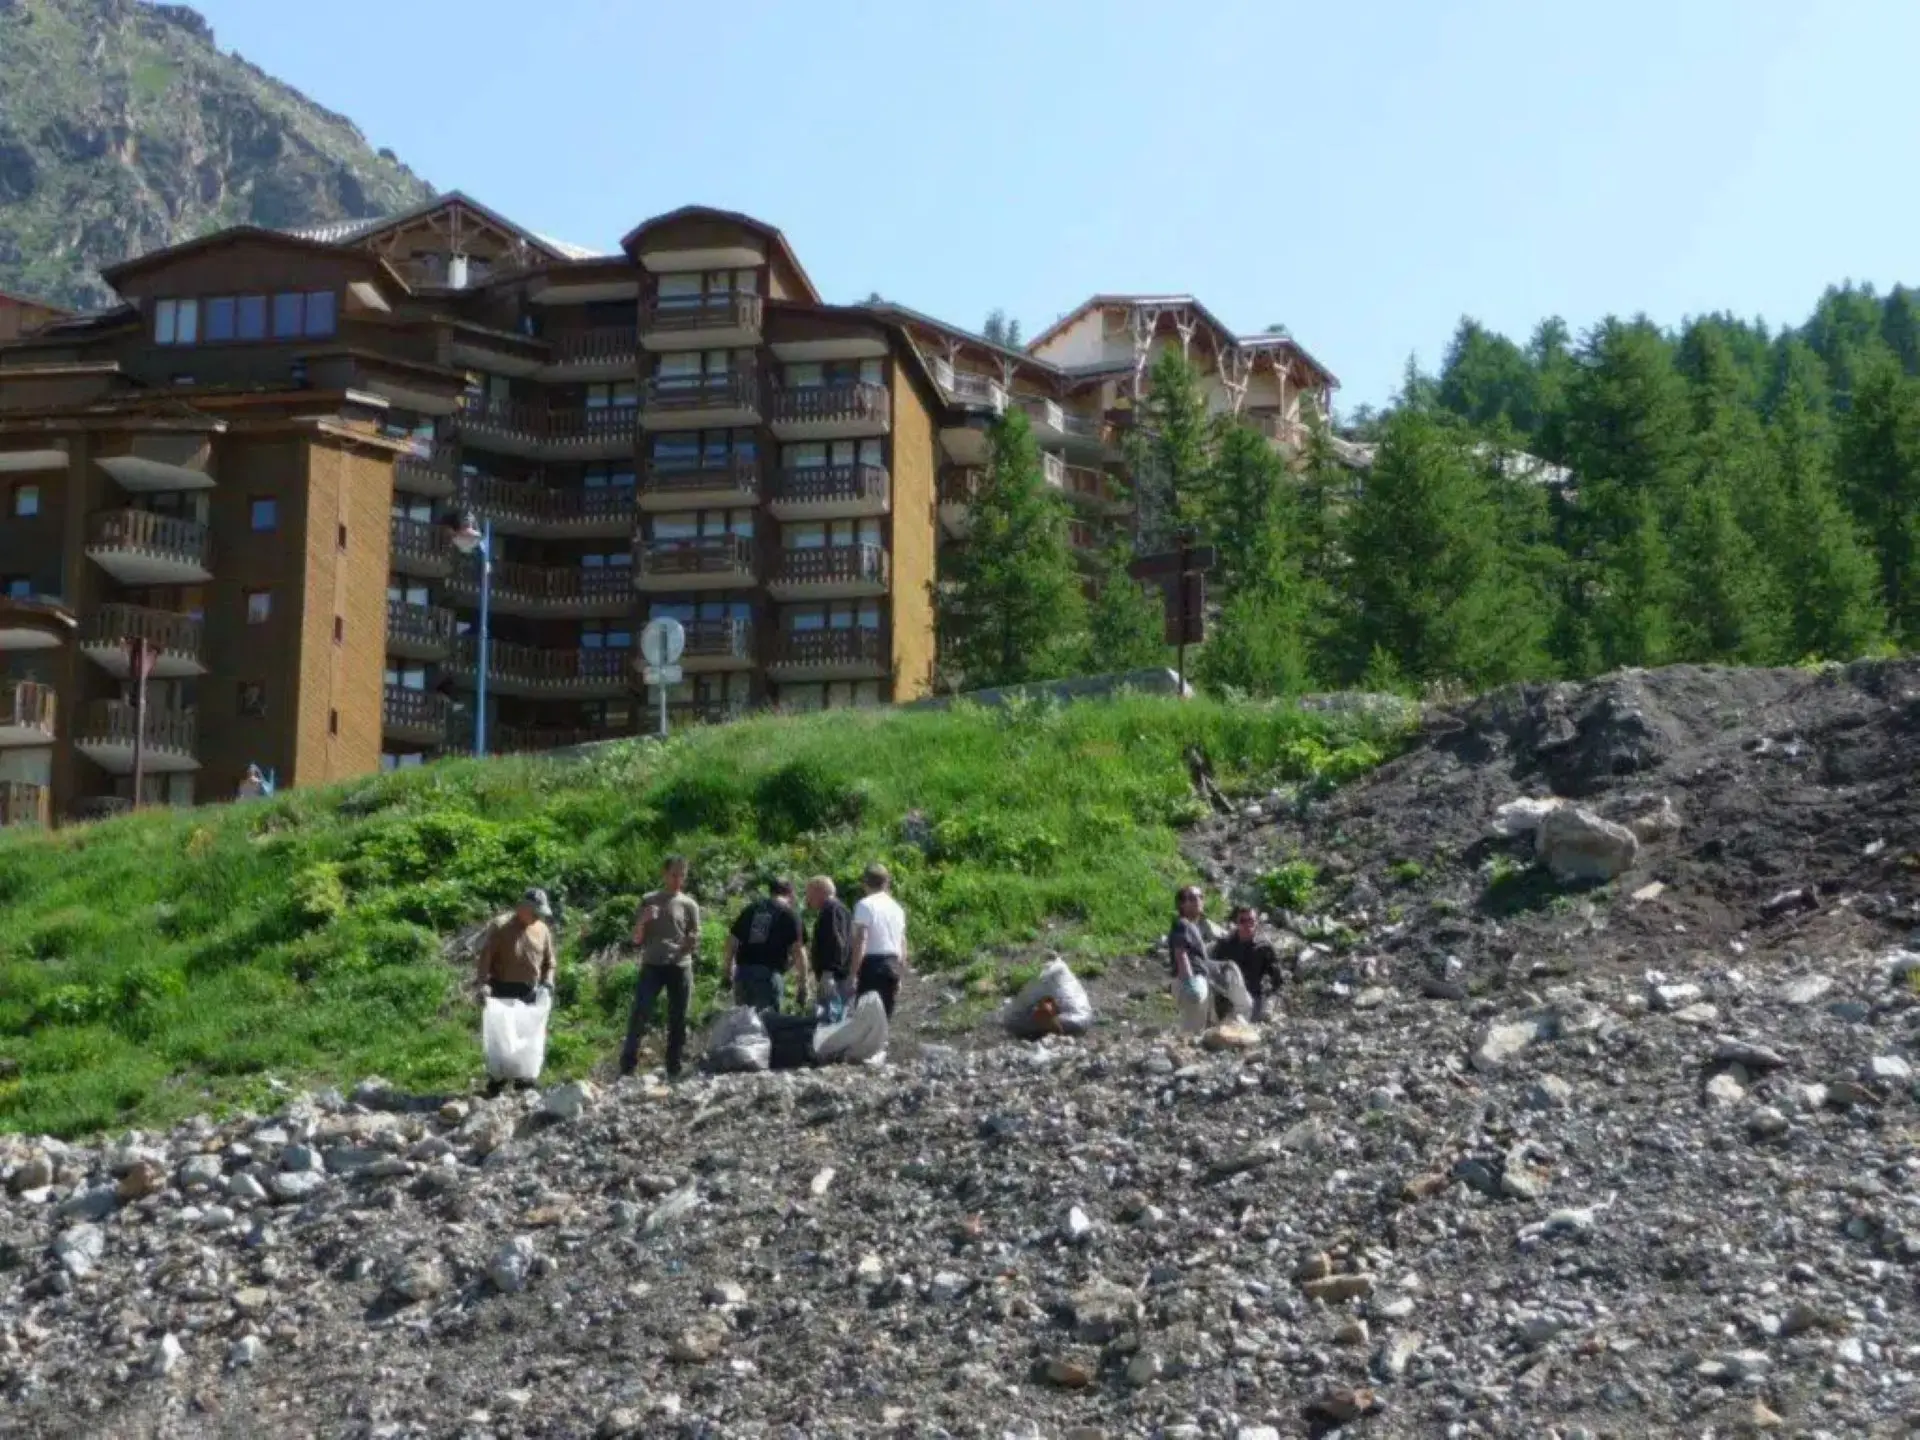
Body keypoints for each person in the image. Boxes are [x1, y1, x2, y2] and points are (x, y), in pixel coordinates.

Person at [619, 856, 702, 1079]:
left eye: (682, 875)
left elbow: (695, 937)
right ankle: (627, 1066)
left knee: (679, 1017)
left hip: (680, 966)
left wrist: (691, 942)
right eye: (674, 874)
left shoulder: (689, 904)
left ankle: (674, 1066)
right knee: (640, 1013)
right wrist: (643, 920)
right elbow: (636, 939)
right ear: (664, 874)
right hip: (652, 965)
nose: (678, 880)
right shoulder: (649, 900)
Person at [474, 887, 558, 1096]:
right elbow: (485, 958)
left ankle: (525, 1080)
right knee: (501, 1038)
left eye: (540, 913)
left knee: (528, 1038)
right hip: (501, 990)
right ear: (523, 908)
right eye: (535, 912)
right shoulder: (500, 926)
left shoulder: (542, 930)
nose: (537, 917)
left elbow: (550, 962)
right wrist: (483, 984)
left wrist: (548, 982)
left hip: (530, 992)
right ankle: (497, 1081)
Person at [724, 878, 807, 1013]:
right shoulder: (790, 914)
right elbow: (798, 951)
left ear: (771, 892)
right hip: (767, 978)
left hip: (742, 974)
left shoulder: (750, 910)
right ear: (791, 894)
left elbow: (731, 942)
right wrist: (803, 985)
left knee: (744, 1021)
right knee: (766, 1022)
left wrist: (727, 973)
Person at [1168, 884, 1242, 1025]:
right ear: (1181, 904)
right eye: (1192, 898)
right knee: (1191, 1029)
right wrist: (1189, 982)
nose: (1198, 901)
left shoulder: (1191, 926)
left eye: (1200, 897)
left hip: (1197, 979)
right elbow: (1180, 954)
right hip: (1191, 980)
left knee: (1197, 1028)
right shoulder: (1182, 925)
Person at [849, 862, 908, 1018]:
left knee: (866, 1019)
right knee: (884, 1018)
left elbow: (861, 939)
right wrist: (900, 974)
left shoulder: (865, 905)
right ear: (886, 882)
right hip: (892, 964)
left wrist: (853, 973)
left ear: (865, 883)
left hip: (872, 966)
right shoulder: (897, 908)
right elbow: (902, 943)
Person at [1211, 905, 1283, 1022]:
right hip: (1227, 998)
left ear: (1257, 922)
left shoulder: (1264, 947)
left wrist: (1269, 999)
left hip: (1253, 997)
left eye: (1251, 921)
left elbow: (1276, 979)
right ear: (1236, 922)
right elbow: (1212, 969)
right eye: (1242, 921)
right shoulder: (1224, 945)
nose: (1247, 925)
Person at [805, 875, 853, 1022]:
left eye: (809, 893)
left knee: (830, 1019)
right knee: (835, 1016)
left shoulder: (831, 909)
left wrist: (829, 971)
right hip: (839, 974)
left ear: (819, 891)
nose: (808, 899)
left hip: (834, 976)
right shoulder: (840, 909)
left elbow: (835, 940)